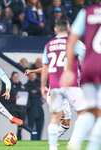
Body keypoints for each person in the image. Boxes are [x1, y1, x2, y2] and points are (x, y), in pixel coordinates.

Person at [60, 1, 101, 149]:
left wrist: (69, 70)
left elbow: (72, 40)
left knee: (91, 111)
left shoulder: (86, 13)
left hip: (89, 69)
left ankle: (75, 141)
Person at [41, 19, 87, 150]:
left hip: (54, 86)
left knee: (55, 117)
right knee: (84, 113)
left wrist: (43, 86)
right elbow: (87, 57)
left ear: (55, 29)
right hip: (70, 84)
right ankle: (73, 142)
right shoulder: (74, 42)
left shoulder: (49, 45)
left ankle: (53, 147)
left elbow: (45, 67)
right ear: (69, 29)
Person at [25, 67, 72, 142]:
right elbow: (46, 68)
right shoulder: (61, 61)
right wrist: (32, 71)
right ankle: (52, 140)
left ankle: (52, 138)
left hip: (65, 95)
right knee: (61, 114)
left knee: (66, 125)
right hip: (54, 93)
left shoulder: (74, 65)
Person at [0, 71, 28, 140]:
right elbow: (4, 99)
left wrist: (26, 107)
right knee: (12, 127)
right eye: (14, 76)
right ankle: (10, 139)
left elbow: (27, 99)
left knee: (20, 127)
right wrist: (14, 98)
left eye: (17, 76)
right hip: (12, 110)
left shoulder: (22, 87)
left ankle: (19, 139)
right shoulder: (7, 87)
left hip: (21, 110)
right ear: (11, 77)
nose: (16, 78)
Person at [25, 72, 44, 140]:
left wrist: (36, 92)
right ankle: (31, 140)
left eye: (33, 75)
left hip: (39, 109)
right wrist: (37, 92)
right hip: (31, 109)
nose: (31, 76)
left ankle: (38, 140)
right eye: (30, 75)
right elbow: (31, 95)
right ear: (28, 77)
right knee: (31, 127)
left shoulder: (39, 84)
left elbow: (42, 92)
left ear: (36, 76)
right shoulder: (26, 85)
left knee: (40, 127)